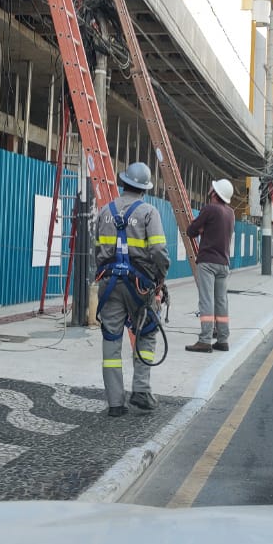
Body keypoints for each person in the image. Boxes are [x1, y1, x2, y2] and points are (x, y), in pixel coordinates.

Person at [94, 162, 170, 417]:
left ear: (123, 182)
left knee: (111, 338)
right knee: (147, 332)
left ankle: (115, 403)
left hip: (108, 285)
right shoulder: (150, 212)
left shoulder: (104, 211)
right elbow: (159, 251)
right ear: (144, 189)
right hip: (139, 286)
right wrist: (160, 278)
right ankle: (140, 390)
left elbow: (98, 251)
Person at [185, 179, 235, 352]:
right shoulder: (230, 213)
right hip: (223, 263)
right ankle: (222, 339)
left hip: (207, 262)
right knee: (221, 301)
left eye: (212, 188)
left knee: (206, 300)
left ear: (215, 193)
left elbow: (190, 231)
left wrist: (199, 228)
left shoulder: (209, 209)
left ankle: (205, 340)